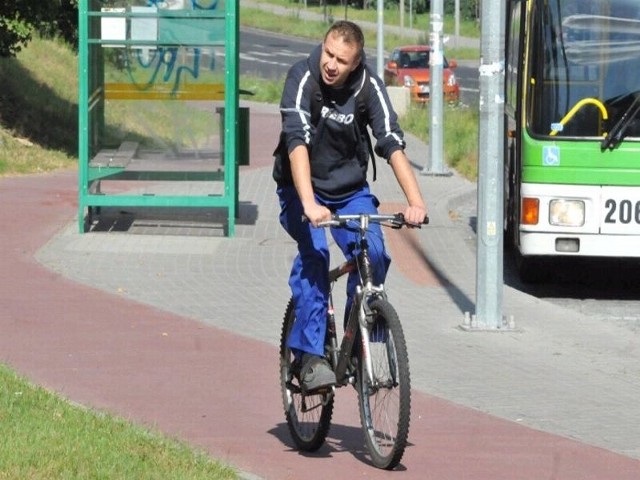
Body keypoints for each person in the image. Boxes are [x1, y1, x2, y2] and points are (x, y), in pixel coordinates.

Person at [273, 21, 428, 393]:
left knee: (374, 254)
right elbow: (296, 143)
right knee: (315, 251)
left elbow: (391, 143)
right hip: (301, 189)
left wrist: (416, 203)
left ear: (356, 63)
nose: (331, 64)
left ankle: (356, 342)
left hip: (349, 191)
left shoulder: (367, 86)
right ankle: (309, 357)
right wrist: (309, 202)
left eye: (341, 60)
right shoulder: (302, 77)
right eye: (328, 53)